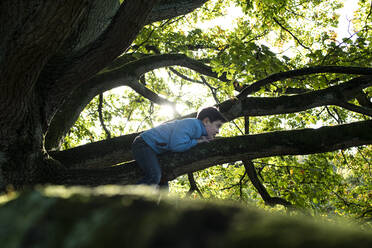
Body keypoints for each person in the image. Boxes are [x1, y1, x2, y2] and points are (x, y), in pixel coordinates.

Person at [132, 107, 226, 187]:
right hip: (144, 144)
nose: (218, 131)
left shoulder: (197, 131)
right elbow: (176, 146)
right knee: (154, 176)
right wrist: (197, 141)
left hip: (154, 150)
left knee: (163, 186)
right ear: (206, 121)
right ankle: (125, 200)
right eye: (217, 126)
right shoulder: (193, 125)